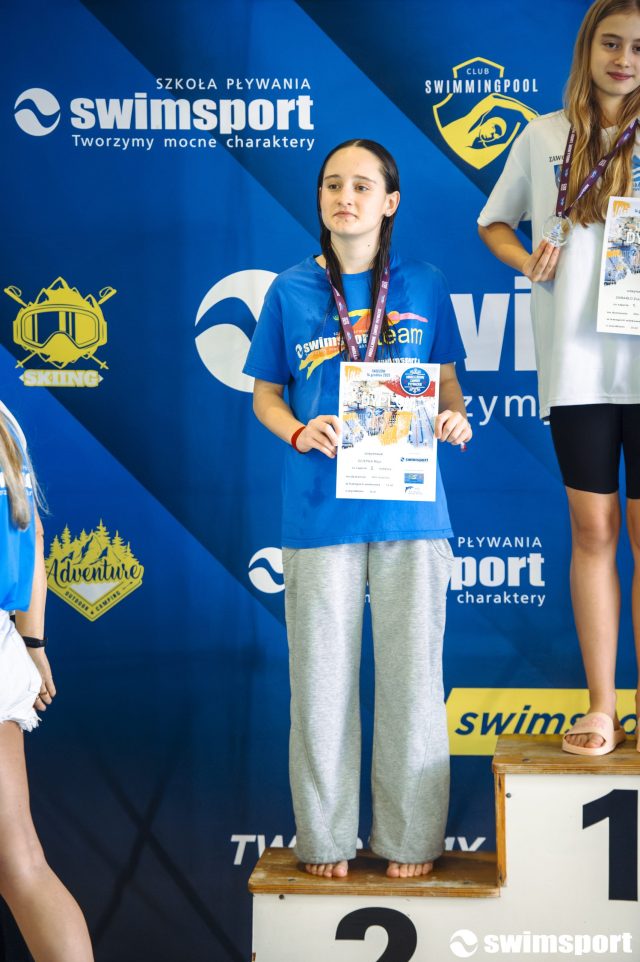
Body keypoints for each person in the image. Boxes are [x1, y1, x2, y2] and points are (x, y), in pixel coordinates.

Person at [244, 139, 471, 878]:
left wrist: (453, 417)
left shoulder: (426, 284)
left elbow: (445, 382)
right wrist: (297, 430)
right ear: (320, 199)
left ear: (390, 201)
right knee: (320, 688)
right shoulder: (289, 290)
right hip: (320, 513)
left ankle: (410, 838)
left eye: (363, 186)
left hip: (410, 512)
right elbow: (266, 396)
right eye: (333, 185)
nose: (346, 197)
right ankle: (326, 838)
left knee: (413, 687)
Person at [478, 0, 640, 756]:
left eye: (639, 47)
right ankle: (603, 707)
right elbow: (494, 221)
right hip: (576, 367)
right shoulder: (545, 135)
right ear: (588, 47)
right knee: (593, 530)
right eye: (612, 42)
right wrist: (526, 262)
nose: (625, 59)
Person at [0, 401, 94, 962]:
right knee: (23, 865)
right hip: (3, 645)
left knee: (22, 866)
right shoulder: (4, 418)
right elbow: (31, 536)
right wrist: (32, 645)